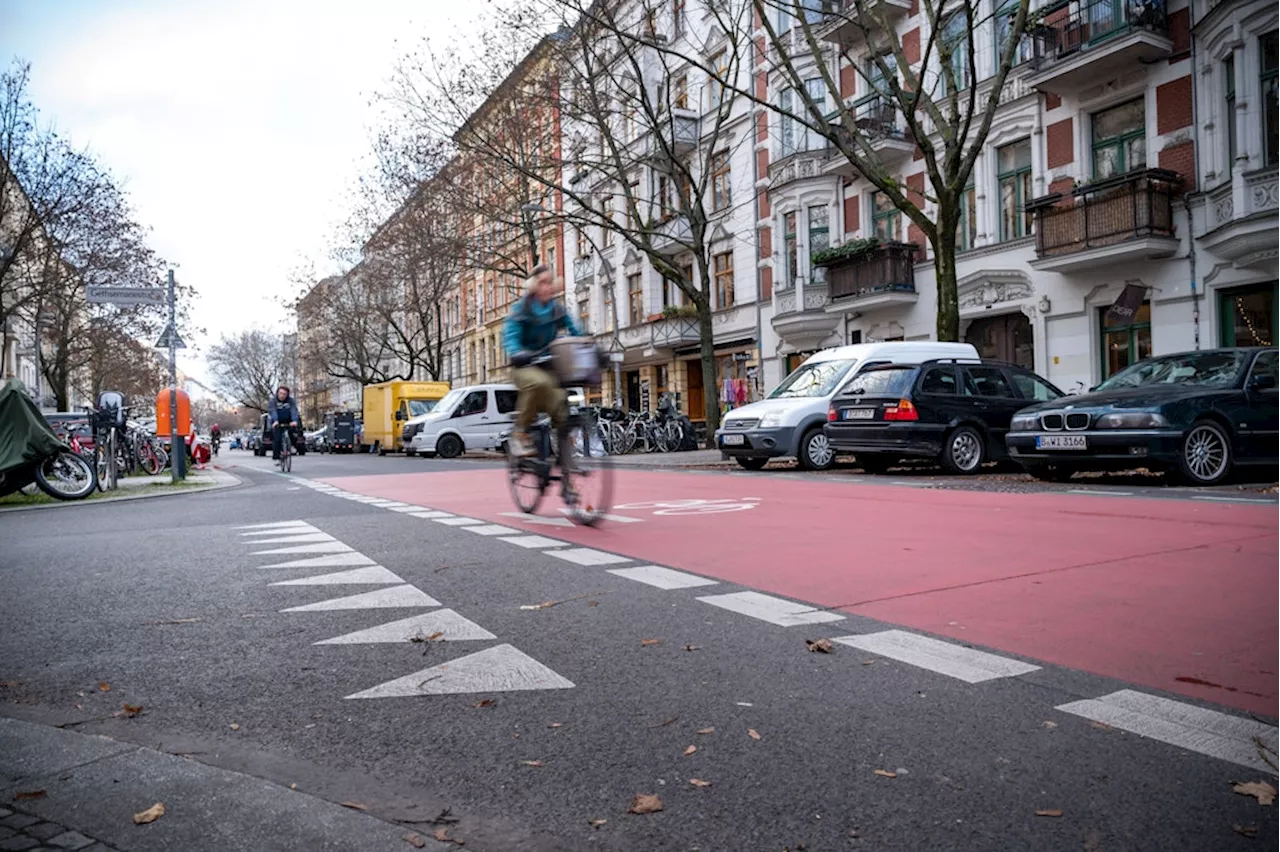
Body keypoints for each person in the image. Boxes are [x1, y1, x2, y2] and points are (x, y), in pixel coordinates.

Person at [502, 265, 582, 458]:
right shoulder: (521, 309)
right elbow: (511, 335)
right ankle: (520, 433)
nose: (548, 287)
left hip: (547, 365)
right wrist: (516, 352)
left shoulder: (557, 309)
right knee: (538, 383)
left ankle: (566, 464)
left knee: (561, 399)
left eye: (550, 282)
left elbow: (575, 331)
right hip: (523, 365)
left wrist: (589, 345)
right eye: (543, 282)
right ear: (533, 286)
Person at [269, 386, 299, 465]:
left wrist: (294, 420)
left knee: (293, 431)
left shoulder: (291, 401)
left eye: (284, 394)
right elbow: (273, 411)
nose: (282, 395)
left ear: (287, 395)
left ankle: (292, 446)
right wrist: (275, 421)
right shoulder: (273, 401)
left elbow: (293, 410)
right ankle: (277, 456)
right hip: (277, 420)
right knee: (277, 439)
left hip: (288, 420)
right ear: (277, 393)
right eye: (280, 393)